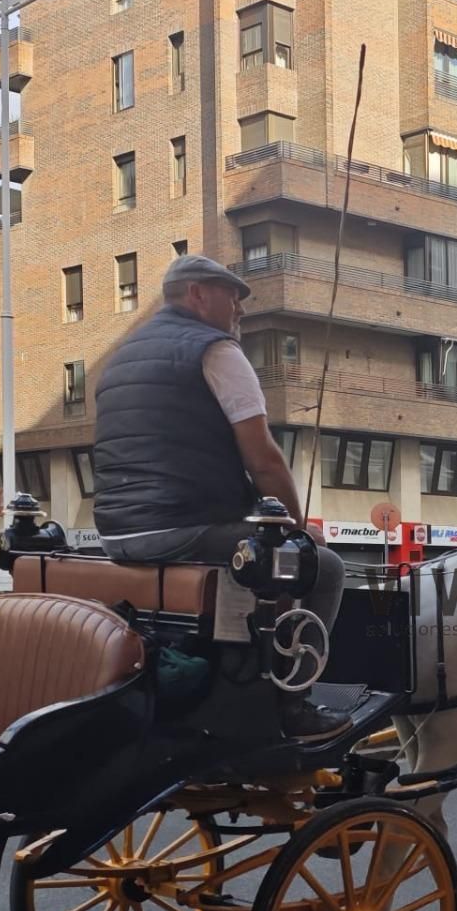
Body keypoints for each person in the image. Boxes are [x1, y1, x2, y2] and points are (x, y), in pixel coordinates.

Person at [92, 254, 348, 739]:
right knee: (323, 566)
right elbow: (264, 458)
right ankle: (292, 705)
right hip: (182, 525)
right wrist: (297, 533)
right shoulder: (213, 351)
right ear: (197, 295)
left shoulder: (120, 356)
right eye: (233, 298)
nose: (240, 312)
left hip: (117, 533)